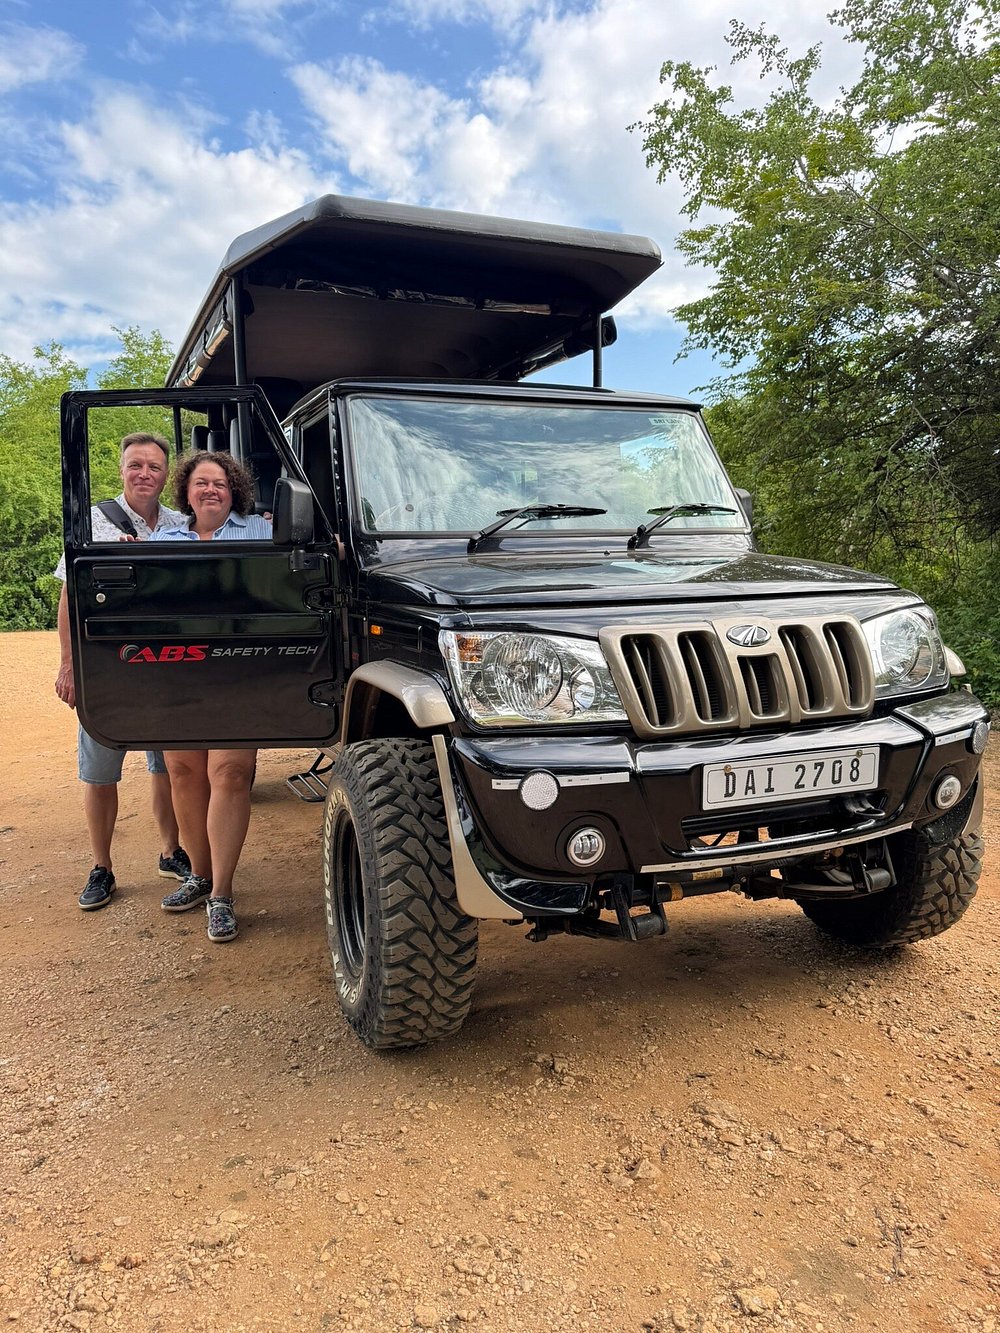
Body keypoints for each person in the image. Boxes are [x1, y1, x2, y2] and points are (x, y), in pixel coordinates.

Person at [54, 432, 191, 910]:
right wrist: (69, 665)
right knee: (100, 769)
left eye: (154, 467)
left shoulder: (180, 522)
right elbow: (70, 597)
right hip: (107, 665)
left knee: (167, 765)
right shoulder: (93, 520)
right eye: (136, 465)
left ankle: (171, 852)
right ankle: (102, 867)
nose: (144, 474)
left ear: (165, 472)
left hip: (164, 666)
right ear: (121, 470)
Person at [152, 450, 272, 943]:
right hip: (177, 671)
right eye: (201, 483)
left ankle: (221, 894)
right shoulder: (163, 538)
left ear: (234, 489)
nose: (210, 490)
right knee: (183, 771)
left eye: (219, 483)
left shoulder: (260, 531)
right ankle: (199, 875)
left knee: (229, 772)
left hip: (238, 670)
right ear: (186, 491)